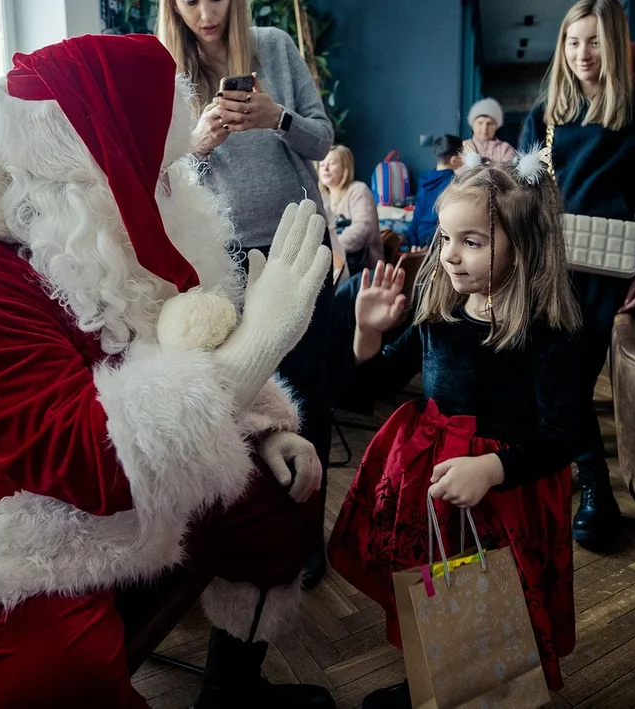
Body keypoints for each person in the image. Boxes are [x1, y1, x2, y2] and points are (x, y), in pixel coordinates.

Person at [0, 35, 337, 709]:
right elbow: (94, 462)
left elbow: (176, 351)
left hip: (126, 468)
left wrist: (263, 426)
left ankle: (234, 688)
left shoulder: (99, 237)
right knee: (54, 675)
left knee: (280, 500)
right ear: (87, 168)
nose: (172, 188)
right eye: (156, 170)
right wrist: (257, 345)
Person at [328, 158, 582, 709]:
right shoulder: (438, 308)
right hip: (432, 488)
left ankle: (489, 686)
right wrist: (365, 334)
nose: (449, 255)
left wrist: (490, 469)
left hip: (504, 498)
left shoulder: (546, 332)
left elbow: (567, 435)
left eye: (472, 242)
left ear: (524, 246)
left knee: (496, 599)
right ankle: (435, 675)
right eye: (445, 238)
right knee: (434, 589)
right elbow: (371, 384)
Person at [158, 0, 336, 588]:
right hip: (223, 260)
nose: (204, 12)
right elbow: (163, 180)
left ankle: (306, 535)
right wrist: (198, 143)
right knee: (246, 402)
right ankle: (245, 537)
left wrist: (277, 117)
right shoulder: (168, 68)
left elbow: (323, 140)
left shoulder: (275, 47)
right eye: (188, 0)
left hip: (298, 245)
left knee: (312, 394)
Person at [519, 0, 635, 547]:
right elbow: (522, 195)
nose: (582, 54)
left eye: (594, 41)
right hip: (546, 267)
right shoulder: (545, 114)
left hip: (607, 270)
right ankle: (585, 484)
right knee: (551, 379)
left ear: (614, 46)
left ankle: (589, 485)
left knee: (570, 380)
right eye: (572, 41)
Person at [319, 145, 381, 276]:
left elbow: (363, 229)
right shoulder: (322, 197)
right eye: (322, 164)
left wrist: (333, 249)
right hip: (334, 265)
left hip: (362, 270)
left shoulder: (358, 190)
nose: (325, 168)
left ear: (345, 166)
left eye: (332, 163)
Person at [409, 134, 463, 249]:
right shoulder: (454, 183)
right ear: (454, 160)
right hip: (437, 240)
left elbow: (416, 216)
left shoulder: (424, 179)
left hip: (419, 237)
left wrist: (414, 242)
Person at [461, 98, 517, 169]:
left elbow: (511, 174)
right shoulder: (464, 147)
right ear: (472, 125)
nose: (484, 128)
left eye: (489, 123)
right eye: (480, 123)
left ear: (496, 126)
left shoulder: (505, 148)